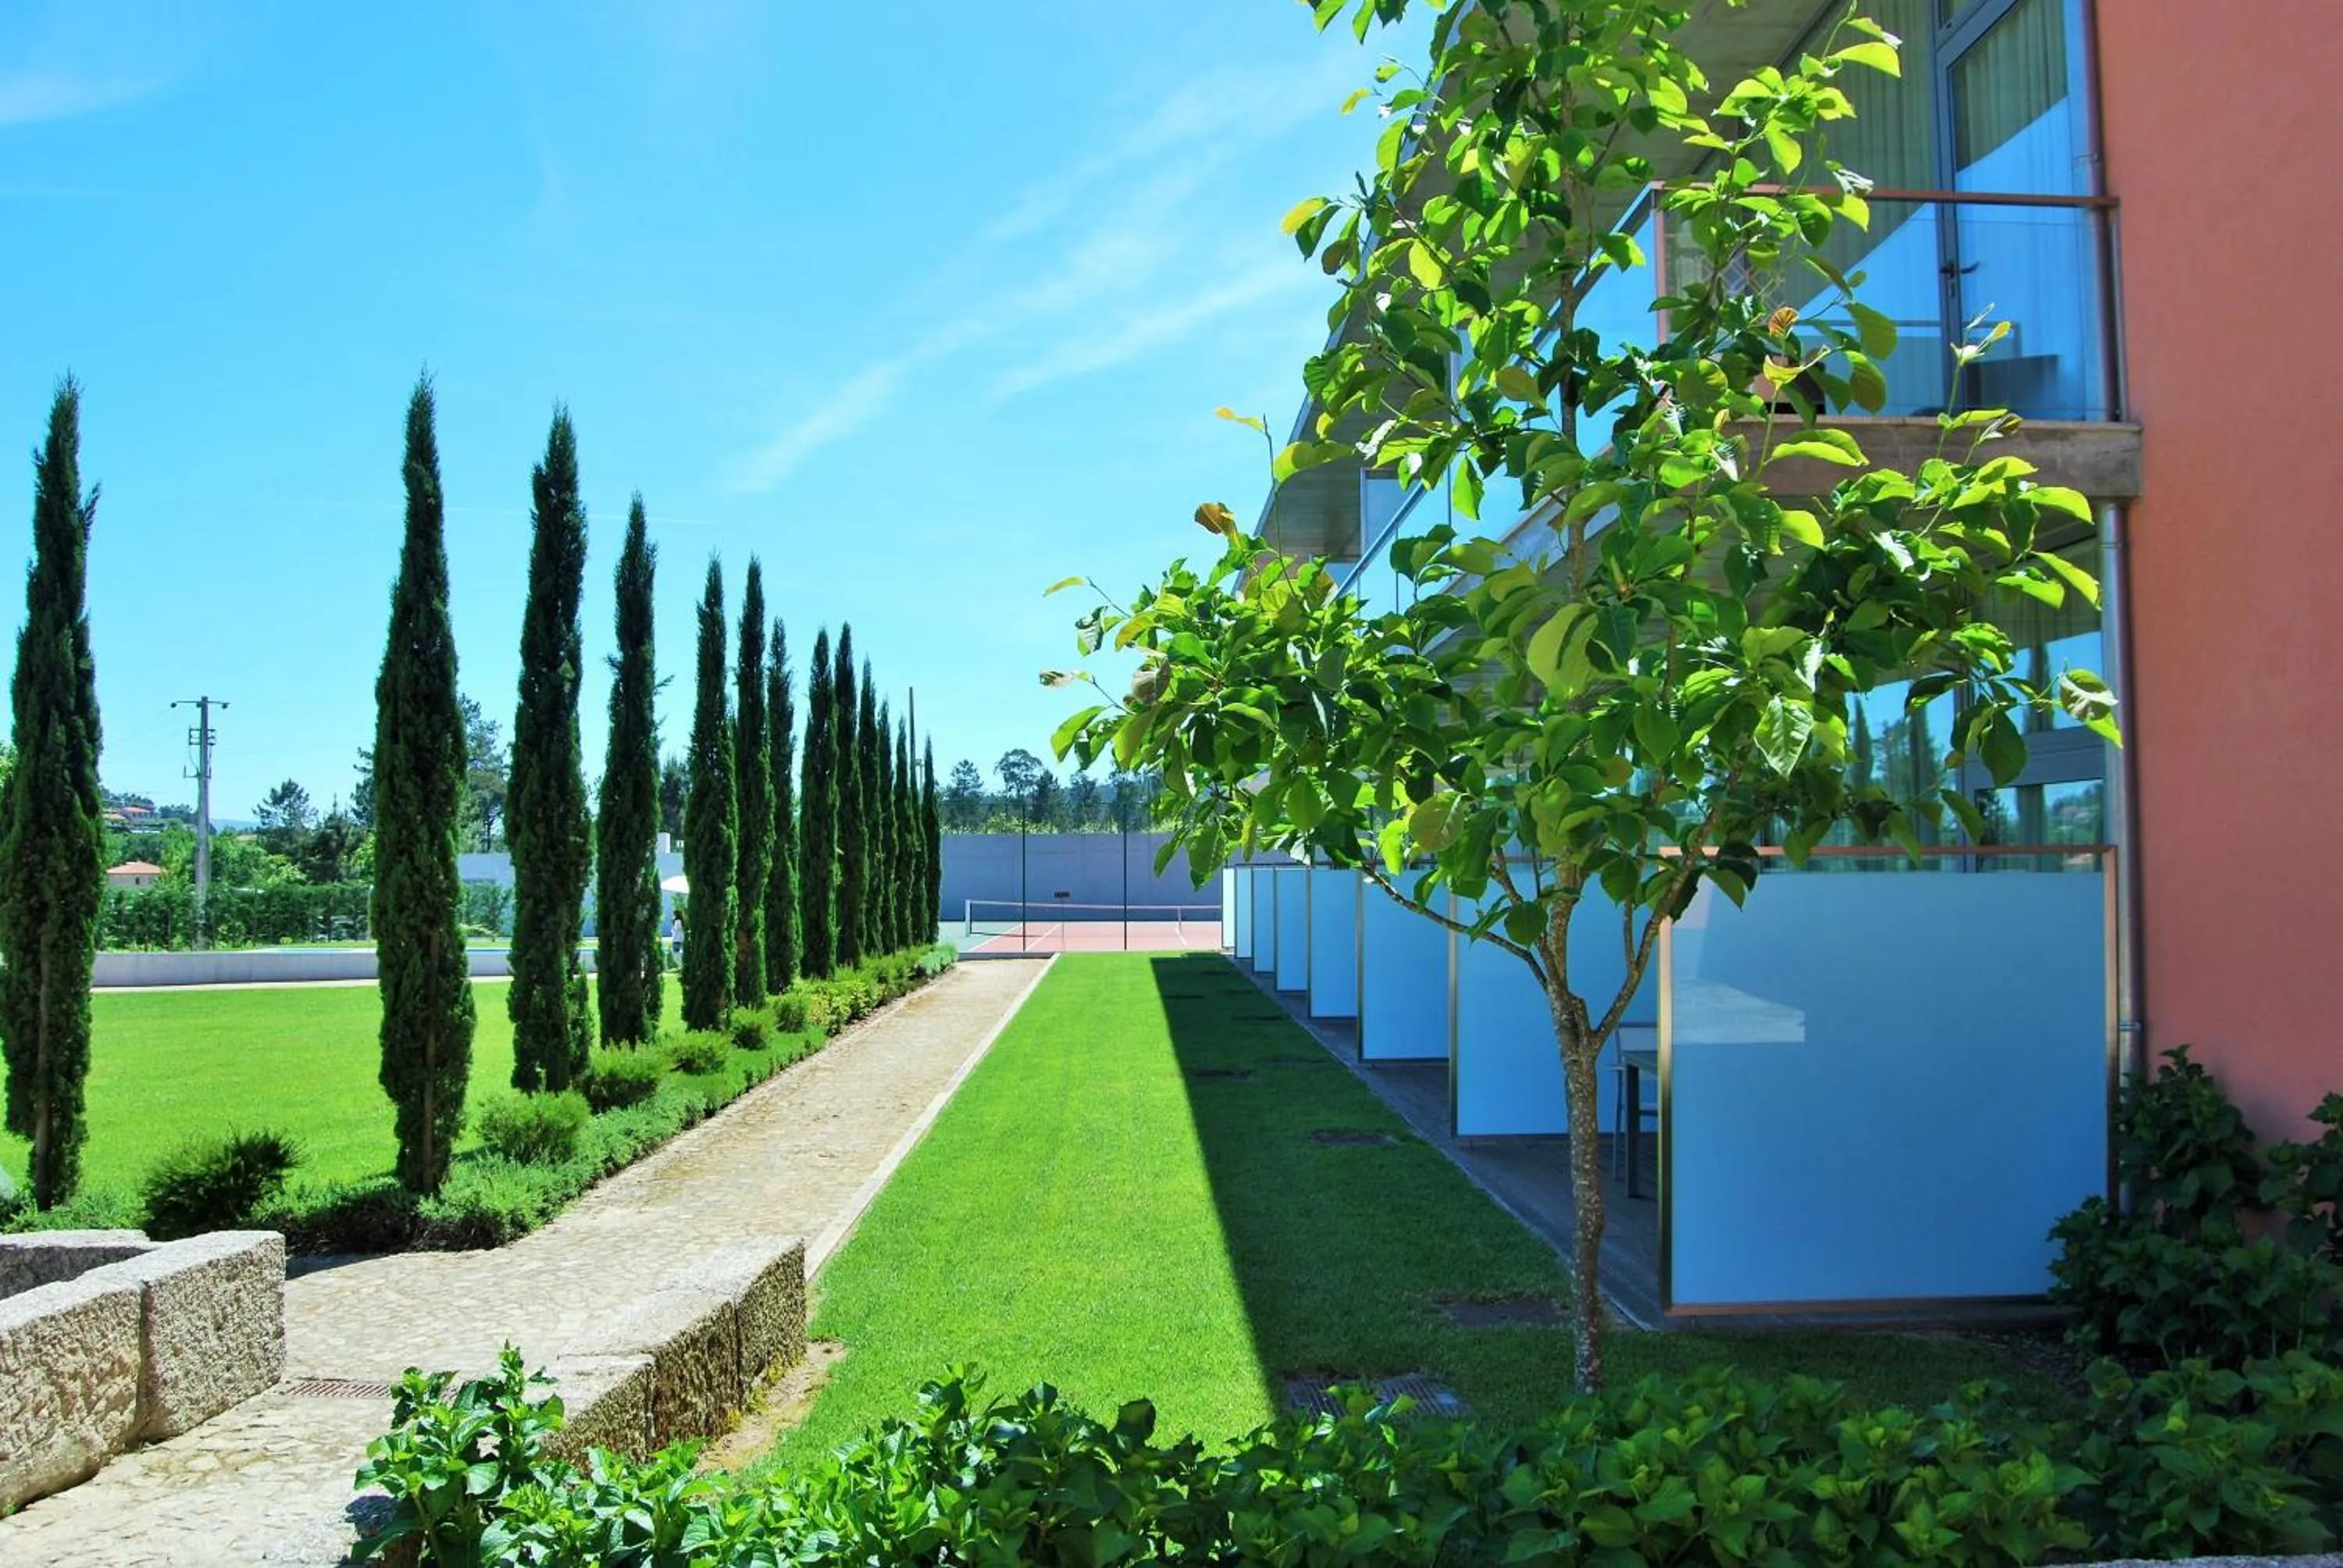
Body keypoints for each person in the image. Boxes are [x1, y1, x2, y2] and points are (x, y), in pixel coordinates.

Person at [669, 904, 685, 970]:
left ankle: (682, 965)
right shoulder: (678, 921)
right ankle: (682, 965)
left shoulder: (678, 921)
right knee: (677, 953)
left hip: (677, 939)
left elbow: (676, 930)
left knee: (675, 953)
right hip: (679, 939)